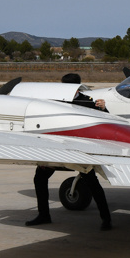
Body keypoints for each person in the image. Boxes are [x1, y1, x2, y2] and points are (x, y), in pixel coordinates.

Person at [25, 74, 112, 230]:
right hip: (57, 148)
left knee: (92, 183)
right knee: (40, 177)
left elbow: (106, 120)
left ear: (76, 87)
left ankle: (106, 219)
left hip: (78, 150)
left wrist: (103, 108)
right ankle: (44, 214)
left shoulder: (87, 101)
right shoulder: (55, 101)